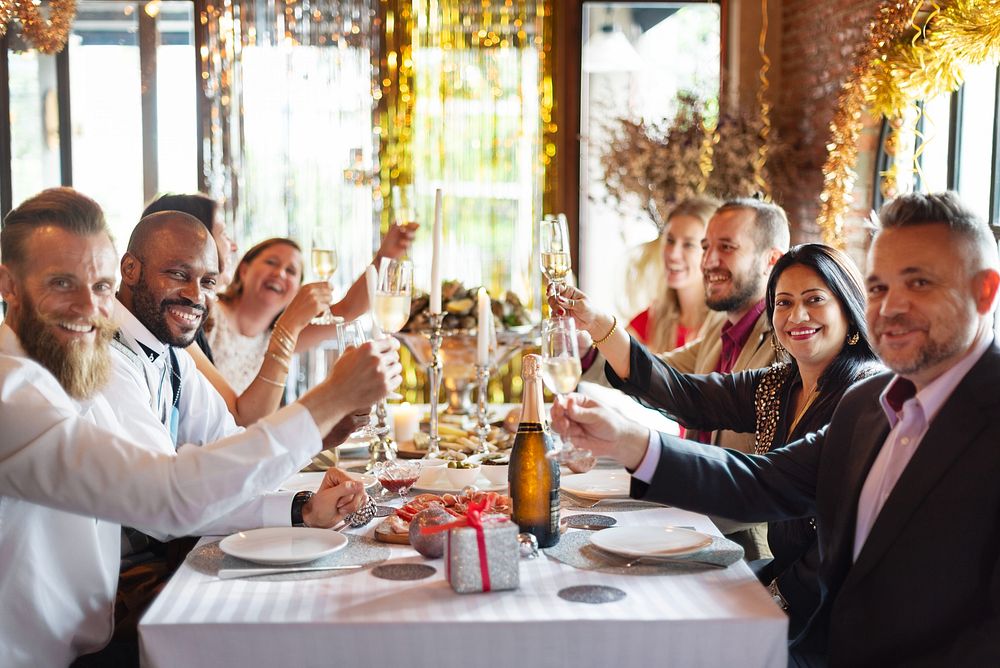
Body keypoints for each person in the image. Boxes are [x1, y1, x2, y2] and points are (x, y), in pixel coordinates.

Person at [551, 191, 1000, 667]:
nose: (890, 307)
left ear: (984, 291)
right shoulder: (869, 405)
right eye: (880, 288)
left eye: (920, 283)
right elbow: (760, 481)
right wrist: (625, 440)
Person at [0, 187, 401, 667]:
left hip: (81, 643)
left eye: (100, 287)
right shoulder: (14, 392)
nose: (90, 308)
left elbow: (216, 460)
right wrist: (326, 403)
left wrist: (304, 498)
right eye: (62, 283)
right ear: (9, 286)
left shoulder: (89, 364)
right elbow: (167, 498)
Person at [106, 211, 380, 645]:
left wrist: (302, 507)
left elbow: (228, 448)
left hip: (161, 562)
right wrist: (322, 410)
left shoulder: (172, 353)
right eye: (178, 274)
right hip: (113, 598)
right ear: (130, 269)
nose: (195, 295)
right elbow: (165, 504)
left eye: (208, 282)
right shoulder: (106, 360)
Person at [602, 243, 881, 637]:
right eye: (783, 303)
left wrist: (774, 600)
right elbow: (687, 396)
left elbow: (836, 543)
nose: (796, 315)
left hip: (828, 614)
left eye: (814, 299)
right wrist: (602, 328)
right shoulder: (780, 384)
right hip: (781, 579)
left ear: (848, 309)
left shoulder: (864, 395)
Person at [554, 197, 791, 559]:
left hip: (741, 540)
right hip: (688, 513)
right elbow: (658, 374)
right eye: (707, 247)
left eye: (726, 248)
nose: (708, 261)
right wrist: (590, 337)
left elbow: (757, 480)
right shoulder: (719, 324)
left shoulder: (785, 341)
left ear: (771, 260)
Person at [626, 196, 724, 352]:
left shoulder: (726, 326)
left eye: (688, 245)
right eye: (670, 241)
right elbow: (608, 365)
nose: (673, 254)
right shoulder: (652, 319)